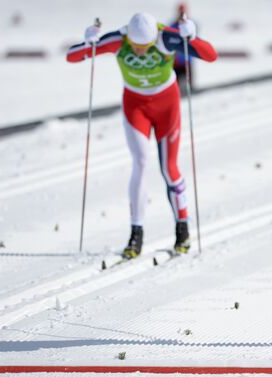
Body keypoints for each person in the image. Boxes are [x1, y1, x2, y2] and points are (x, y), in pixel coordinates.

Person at [67, 12, 217, 258]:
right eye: (135, 47)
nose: (138, 52)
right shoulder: (119, 40)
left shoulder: (165, 38)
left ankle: (182, 228)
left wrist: (192, 37)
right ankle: (136, 234)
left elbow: (211, 56)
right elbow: (73, 57)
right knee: (140, 162)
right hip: (136, 106)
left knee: (169, 168)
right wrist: (88, 41)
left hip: (167, 105)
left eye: (144, 47)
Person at [170, 3, 194, 91]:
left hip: (187, 60)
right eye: (180, 12)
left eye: (183, 12)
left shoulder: (191, 26)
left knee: (190, 87)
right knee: (176, 86)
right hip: (176, 61)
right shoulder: (173, 26)